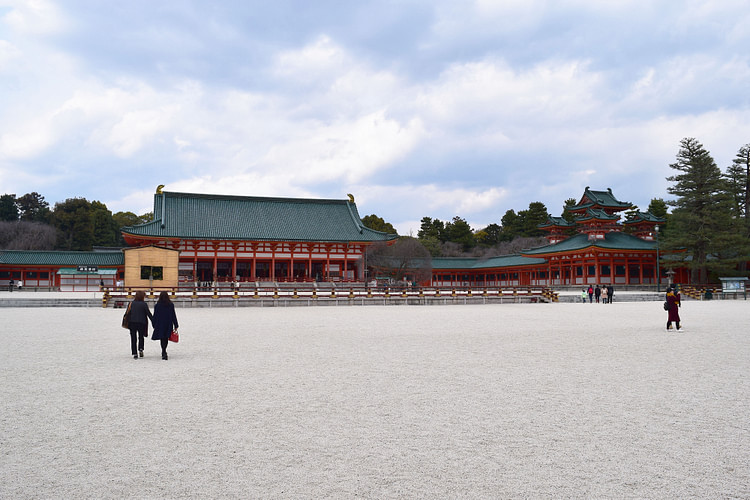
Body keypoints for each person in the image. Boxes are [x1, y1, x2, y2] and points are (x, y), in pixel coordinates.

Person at [152, 291, 179, 360]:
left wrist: (154, 324)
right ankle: (164, 351)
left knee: (162, 337)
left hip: (160, 323)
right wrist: (176, 324)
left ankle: (163, 351)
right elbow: (173, 315)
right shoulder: (170, 305)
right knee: (166, 337)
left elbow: (155, 316)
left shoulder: (157, 305)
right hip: (168, 323)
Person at [128, 290, 152, 359]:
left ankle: (134, 353)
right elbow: (148, 314)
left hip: (132, 323)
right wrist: (154, 321)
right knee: (141, 337)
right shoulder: (144, 304)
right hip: (142, 323)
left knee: (133, 338)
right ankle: (141, 349)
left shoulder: (131, 303)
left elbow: (128, 313)